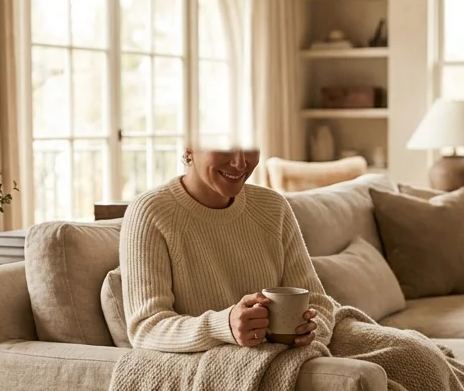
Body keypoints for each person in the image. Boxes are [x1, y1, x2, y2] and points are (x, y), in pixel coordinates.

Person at [119, 146, 335, 353]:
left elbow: (319, 304)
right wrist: (223, 326)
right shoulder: (151, 212)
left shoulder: (273, 207)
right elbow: (145, 328)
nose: (240, 163)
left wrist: (309, 330)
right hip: (217, 365)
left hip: (293, 357)